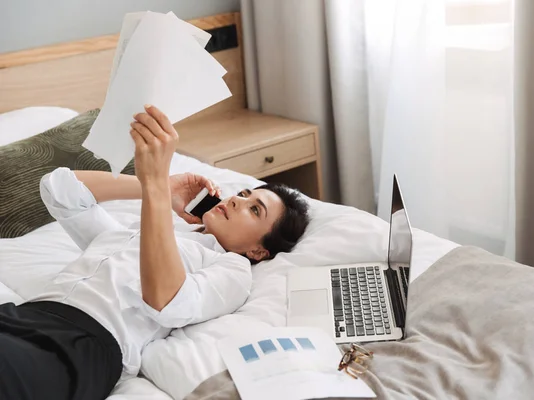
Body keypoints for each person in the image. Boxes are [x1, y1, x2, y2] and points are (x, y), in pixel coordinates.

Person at [0, 105, 310, 400]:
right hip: (25, 314)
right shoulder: (147, 227)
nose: (236, 201)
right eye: (243, 194)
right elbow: (60, 189)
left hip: (81, 343)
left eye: (254, 210)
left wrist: (157, 191)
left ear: (258, 250)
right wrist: (157, 185)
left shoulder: (232, 270)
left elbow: (167, 301)